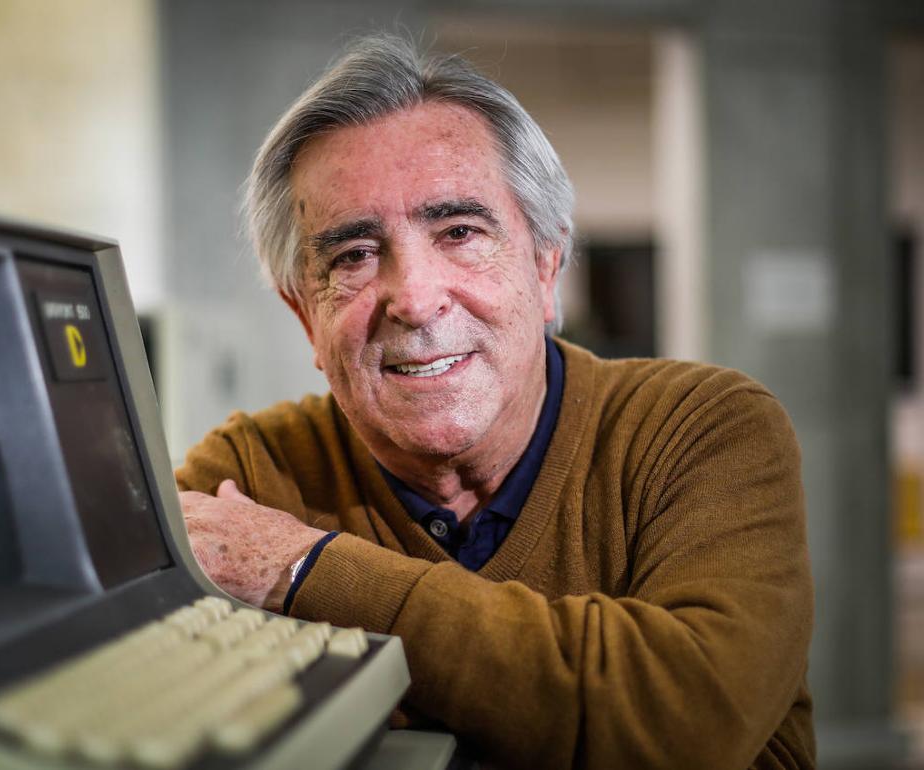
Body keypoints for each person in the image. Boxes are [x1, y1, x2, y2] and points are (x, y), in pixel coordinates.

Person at [176, 33, 814, 769]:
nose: (414, 299)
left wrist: (307, 571)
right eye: (353, 255)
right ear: (304, 318)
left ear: (547, 272)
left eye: (460, 232)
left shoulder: (701, 430)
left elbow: (686, 724)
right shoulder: (251, 475)